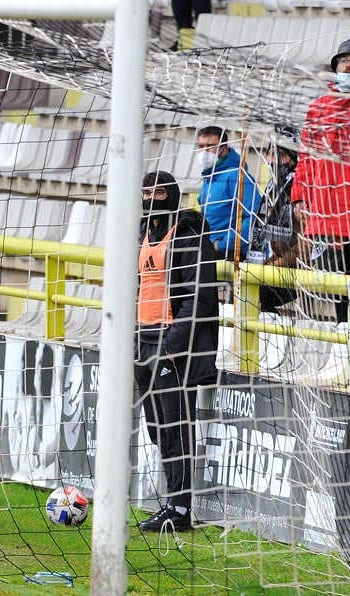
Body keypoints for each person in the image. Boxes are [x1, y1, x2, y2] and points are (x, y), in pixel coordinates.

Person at [134, 171, 220, 533]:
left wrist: (173, 346)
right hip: (142, 339)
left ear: (170, 195)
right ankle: (172, 502)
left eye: (156, 192)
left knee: (176, 427)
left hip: (171, 344)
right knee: (156, 427)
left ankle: (180, 508)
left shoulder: (187, 237)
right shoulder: (140, 234)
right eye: (144, 192)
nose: (149, 198)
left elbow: (199, 298)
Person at [291, 39, 350, 334]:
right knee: (333, 284)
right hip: (324, 212)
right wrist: (299, 198)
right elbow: (306, 157)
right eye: (343, 60)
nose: (347, 65)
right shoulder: (318, 107)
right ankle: (345, 340)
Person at [249, 132, 304, 313]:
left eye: (279, 155)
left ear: (292, 159)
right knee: (245, 285)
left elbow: (307, 246)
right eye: (270, 154)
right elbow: (273, 243)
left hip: (303, 267)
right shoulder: (273, 187)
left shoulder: (300, 190)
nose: (272, 160)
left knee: (259, 293)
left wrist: (274, 265)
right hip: (281, 263)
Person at [196, 126, 263, 264]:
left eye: (210, 146)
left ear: (224, 149)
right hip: (208, 250)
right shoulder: (209, 178)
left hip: (230, 254)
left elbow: (254, 216)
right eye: (201, 146)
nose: (204, 152)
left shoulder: (237, 176)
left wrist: (223, 244)